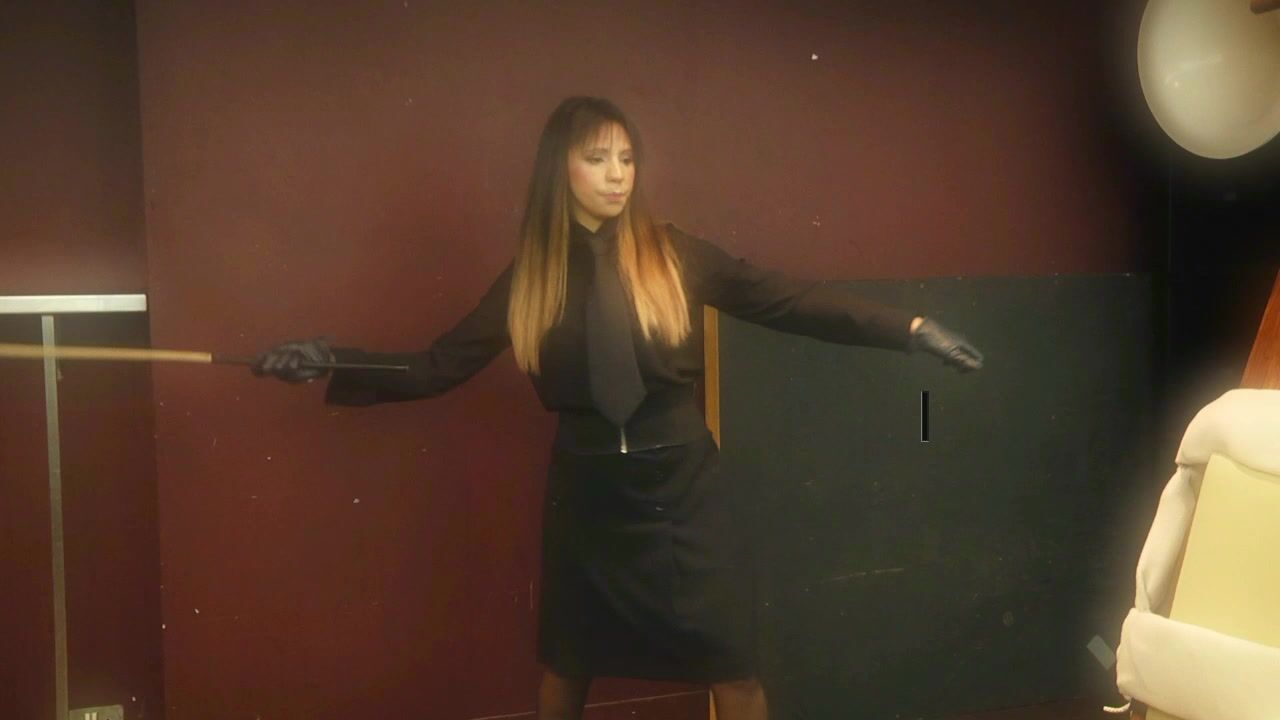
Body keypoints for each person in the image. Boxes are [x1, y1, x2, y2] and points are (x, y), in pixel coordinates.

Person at [252, 96, 984, 720]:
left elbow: (787, 300)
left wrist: (910, 329)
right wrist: (326, 361)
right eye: (598, 158)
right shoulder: (531, 277)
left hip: (685, 493)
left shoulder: (674, 254)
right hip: (588, 496)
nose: (617, 175)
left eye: (627, 159)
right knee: (567, 668)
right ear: (560, 170)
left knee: (734, 667)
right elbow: (435, 367)